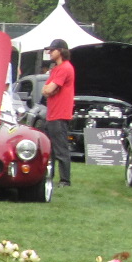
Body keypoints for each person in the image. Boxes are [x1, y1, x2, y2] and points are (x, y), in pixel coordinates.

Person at [40, 39, 76, 187]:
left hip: (59, 114)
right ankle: (51, 175)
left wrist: (50, 90)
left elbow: (48, 89)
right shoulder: (55, 69)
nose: (49, 52)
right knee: (51, 150)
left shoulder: (65, 68)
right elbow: (45, 90)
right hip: (52, 113)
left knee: (61, 149)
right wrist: (49, 90)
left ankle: (65, 180)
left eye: (52, 50)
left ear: (60, 51)